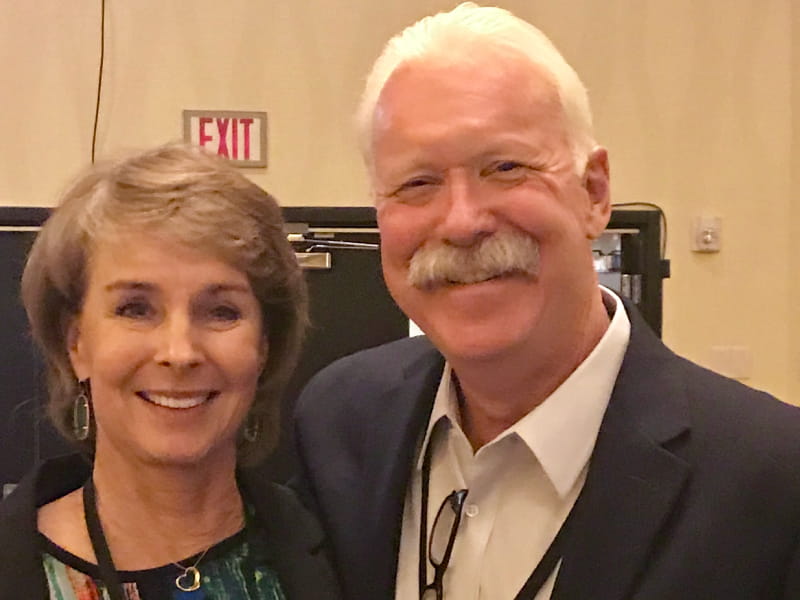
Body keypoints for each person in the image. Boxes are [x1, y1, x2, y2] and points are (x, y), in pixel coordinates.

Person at [292, 3, 800, 599]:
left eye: (505, 167)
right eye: (417, 183)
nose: (461, 222)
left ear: (594, 192)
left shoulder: (773, 482)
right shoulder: (338, 423)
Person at [0, 143, 341, 600]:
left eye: (221, 311)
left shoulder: (346, 555)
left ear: (264, 346)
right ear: (76, 342)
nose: (180, 353)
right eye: (135, 309)